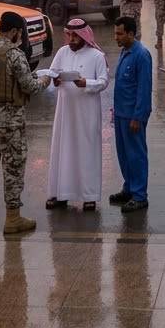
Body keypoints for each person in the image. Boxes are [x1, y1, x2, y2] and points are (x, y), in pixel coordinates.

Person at [0, 11, 51, 233]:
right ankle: (13, 218)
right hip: (10, 121)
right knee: (13, 168)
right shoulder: (14, 55)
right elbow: (30, 87)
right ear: (15, 31)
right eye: (21, 33)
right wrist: (45, 79)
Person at [45, 18, 110, 211]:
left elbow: (104, 81)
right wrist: (54, 81)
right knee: (63, 150)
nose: (71, 39)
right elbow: (52, 74)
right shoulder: (62, 52)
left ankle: (89, 196)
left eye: (75, 36)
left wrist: (86, 84)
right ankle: (61, 194)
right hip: (65, 113)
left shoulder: (96, 55)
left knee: (86, 151)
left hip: (87, 112)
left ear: (84, 36)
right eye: (69, 35)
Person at [109, 16, 151, 213]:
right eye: (115, 33)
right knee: (124, 154)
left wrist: (138, 117)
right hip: (120, 113)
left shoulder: (141, 55)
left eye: (120, 33)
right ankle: (129, 188)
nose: (115, 37)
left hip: (133, 116)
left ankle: (140, 195)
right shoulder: (124, 51)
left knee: (136, 155)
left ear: (131, 34)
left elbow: (144, 89)